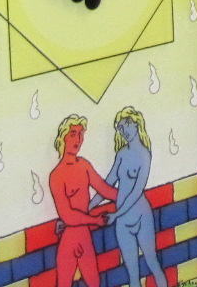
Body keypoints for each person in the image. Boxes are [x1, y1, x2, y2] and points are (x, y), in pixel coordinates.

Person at [48, 114, 116, 287]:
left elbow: (104, 189)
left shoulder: (84, 165)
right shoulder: (56, 175)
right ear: (63, 137)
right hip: (69, 239)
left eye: (81, 134)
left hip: (84, 237)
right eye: (73, 134)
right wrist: (95, 220)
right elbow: (67, 215)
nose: (78, 139)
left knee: (94, 282)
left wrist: (129, 196)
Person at [105, 106, 167, 287]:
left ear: (136, 123)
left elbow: (136, 191)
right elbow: (107, 183)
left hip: (141, 216)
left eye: (127, 124)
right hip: (123, 222)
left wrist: (116, 214)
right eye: (120, 127)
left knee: (152, 261)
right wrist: (88, 208)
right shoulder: (121, 155)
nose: (124, 130)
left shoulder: (144, 154)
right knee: (132, 274)